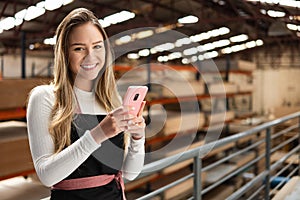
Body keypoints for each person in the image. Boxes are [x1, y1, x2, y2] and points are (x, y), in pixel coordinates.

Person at [26, 8, 146, 200]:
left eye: (97, 46)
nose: (90, 56)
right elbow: (47, 176)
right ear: (64, 54)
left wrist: (138, 138)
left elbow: (129, 174)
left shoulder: (109, 100)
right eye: (79, 48)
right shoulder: (45, 97)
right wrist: (99, 134)